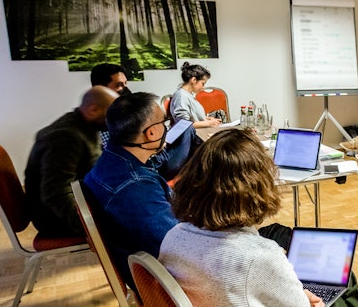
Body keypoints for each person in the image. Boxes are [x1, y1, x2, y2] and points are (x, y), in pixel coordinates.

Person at [160, 128, 358, 307]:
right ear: (257, 188)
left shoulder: (173, 237)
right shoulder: (261, 257)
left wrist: (296, 292)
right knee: (345, 283)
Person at [84, 92, 177, 285]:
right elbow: (174, 247)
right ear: (151, 132)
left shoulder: (111, 159)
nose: (165, 128)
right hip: (160, 279)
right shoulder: (135, 186)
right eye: (163, 123)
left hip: (140, 259)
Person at [24, 86, 118, 237]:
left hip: (78, 201)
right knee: (134, 221)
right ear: (93, 109)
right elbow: (56, 192)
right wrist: (89, 228)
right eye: (112, 114)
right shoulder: (66, 136)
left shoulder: (83, 126)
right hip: (54, 219)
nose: (115, 120)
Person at [169, 62, 222, 128]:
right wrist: (208, 123)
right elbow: (184, 124)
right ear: (194, 80)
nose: (203, 88)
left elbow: (192, 117)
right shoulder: (181, 96)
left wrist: (206, 119)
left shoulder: (187, 95)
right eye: (203, 83)